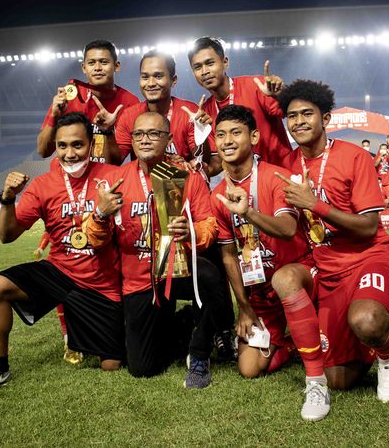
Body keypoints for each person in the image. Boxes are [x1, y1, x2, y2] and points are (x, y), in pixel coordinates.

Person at [0, 113, 125, 399]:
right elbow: (7, 235)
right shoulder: (42, 185)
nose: (70, 153)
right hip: (59, 273)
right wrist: (8, 198)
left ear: (91, 144)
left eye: (78, 145)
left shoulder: (111, 177)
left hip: (101, 281)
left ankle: (88, 334)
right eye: (62, 146)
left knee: (111, 365)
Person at [277, 79, 389, 403]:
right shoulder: (287, 165)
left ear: (325, 118)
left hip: (368, 255)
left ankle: (387, 358)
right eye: (292, 115)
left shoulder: (354, 157)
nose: (298, 121)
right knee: (339, 380)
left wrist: (316, 204)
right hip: (326, 265)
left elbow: (369, 226)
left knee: (366, 320)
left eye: (306, 113)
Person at [210, 104, 329, 421]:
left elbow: (289, 230)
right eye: (220, 135)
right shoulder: (218, 195)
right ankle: (292, 344)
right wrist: (244, 306)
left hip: (300, 274)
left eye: (235, 133)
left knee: (286, 281)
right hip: (261, 291)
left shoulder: (276, 177)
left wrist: (248, 212)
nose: (227, 141)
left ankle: (316, 366)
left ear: (254, 136)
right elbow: (228, 254)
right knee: (249, 369)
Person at [104, 111, 225, 388]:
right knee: (143, 368)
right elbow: (100, 240)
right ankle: (182, 323)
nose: (145, 140)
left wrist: (191, 233)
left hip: (177, 267)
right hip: (139, 280)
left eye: (154, 134)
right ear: (132, 139)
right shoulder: (117, 179)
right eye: (138, 134)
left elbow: (209, 224)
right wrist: (101, 215)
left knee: (208, 275)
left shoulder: (185, 176)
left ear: (168, 138)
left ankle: (199, 353)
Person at [111, 50, 221, 177]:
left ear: (173, 80)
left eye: (158, 76)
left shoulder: (189, 112)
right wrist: (107, 131)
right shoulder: (130, 115)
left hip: (182, 183)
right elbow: (115, 161)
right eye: (145, 77)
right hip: (144, 186)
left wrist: (200, 135)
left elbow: (203, 160)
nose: (151, 83)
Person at [186, 36, 292, 165]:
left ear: (225, 62)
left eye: (210, 63)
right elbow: (218, 161)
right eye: (197, 67)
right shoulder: (206, 112)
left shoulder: (256, 87)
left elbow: (291, 113)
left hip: (282, 174)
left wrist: (280, 95)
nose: (204, 71)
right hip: (245, 182)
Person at [37, 40, 139, 161]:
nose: (97, 68)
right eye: (91, 63)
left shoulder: (130, 103)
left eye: (104, 62)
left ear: (116, 66)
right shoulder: (69, 98)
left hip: (104, 177)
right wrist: (55, 116)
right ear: (84, 68)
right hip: (67, 176)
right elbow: (43, 151)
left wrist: (107, 131)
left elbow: (116, 161)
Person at [33, 231, 83, 365]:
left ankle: (84, 340)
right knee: (62, 298)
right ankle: (69, 342)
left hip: (85, 261)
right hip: (61, 262)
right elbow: (50, 230)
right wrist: (41, 247)